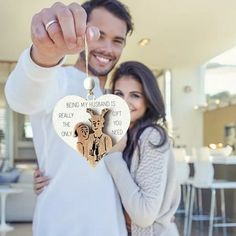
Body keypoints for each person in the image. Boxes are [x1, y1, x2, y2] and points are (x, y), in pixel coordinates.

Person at [5, 0, 133, 235]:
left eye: (117, 41)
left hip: (112, 228)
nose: (107, 48)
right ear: (81, 31)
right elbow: (21, 98)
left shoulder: (119, 102)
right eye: (98, 34)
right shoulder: (57, 80)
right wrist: (44, 55)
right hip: (60, 227)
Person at [34, 61, 181, 235]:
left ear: (148, 100)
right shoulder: (119, 134)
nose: (125, 102)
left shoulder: (151, 136)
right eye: (119, 94)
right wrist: (49, 178)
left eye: (135, 95)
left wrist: (114, 156)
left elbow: (143, 216)